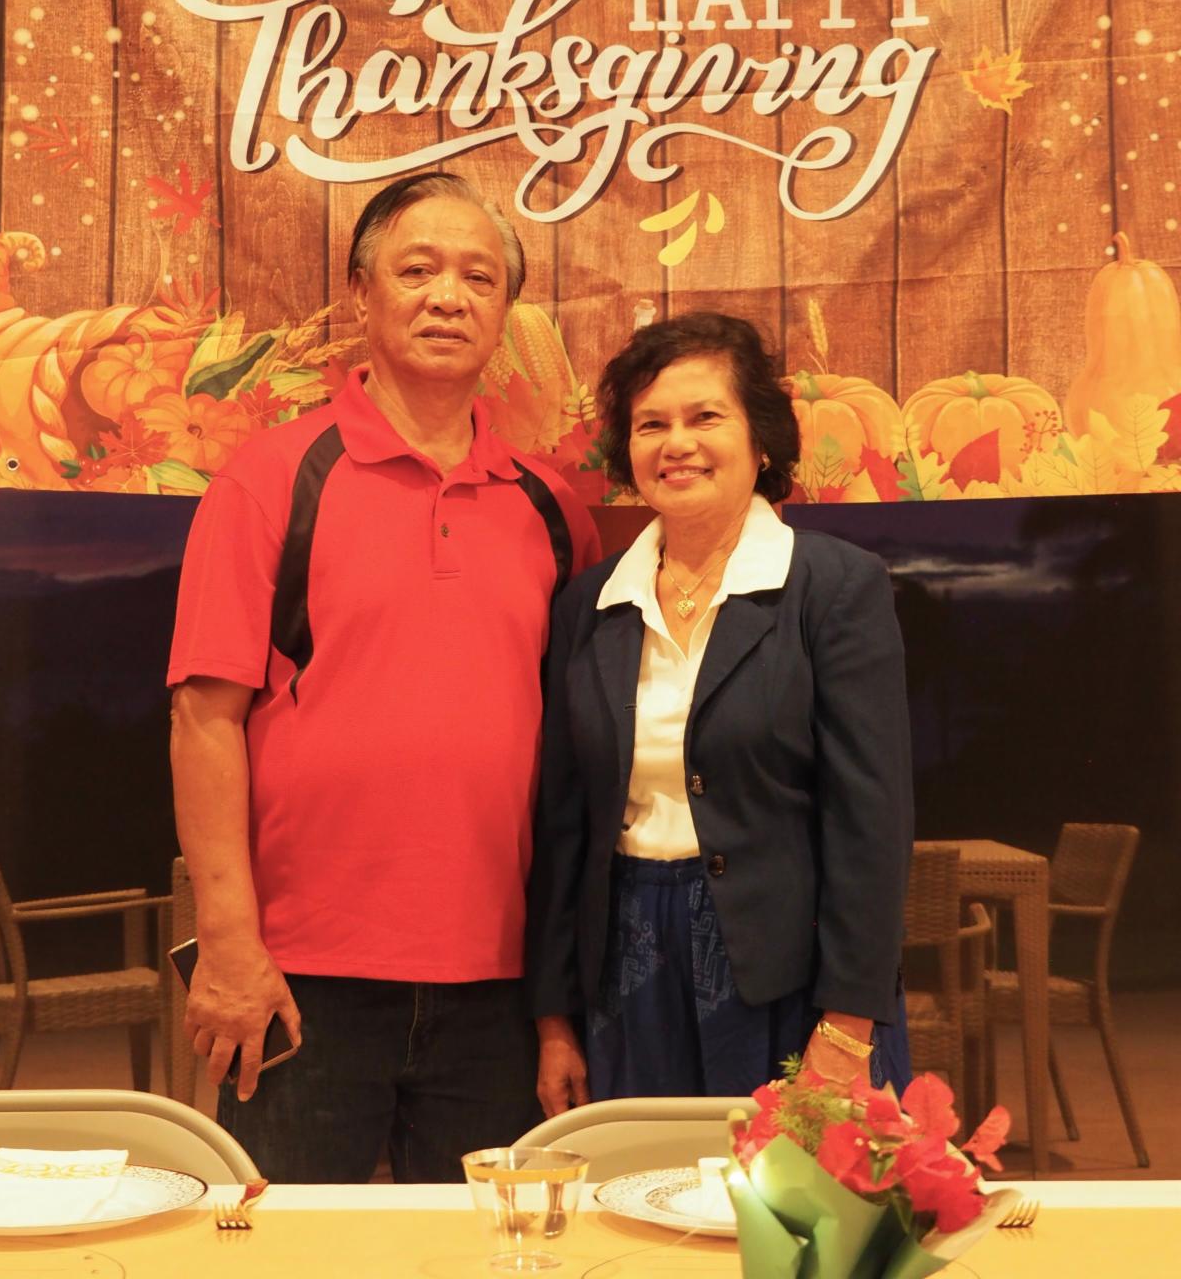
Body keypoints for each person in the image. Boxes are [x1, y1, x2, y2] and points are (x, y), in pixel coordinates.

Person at [168, 172, 600, 1182]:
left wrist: (559, 995)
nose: (448, 297)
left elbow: (579, 758)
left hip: (502, 983)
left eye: (478, 278)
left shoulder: (551, 507)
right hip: (299, 975)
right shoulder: (271, 477)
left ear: (505, 311)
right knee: (288, 1245)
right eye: (417, 270)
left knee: (492, 1249)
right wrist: (229, 945)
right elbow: (202, 718)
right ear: (361, 295)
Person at [526, 312, 912, 1114]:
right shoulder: (589, 606)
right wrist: (555, 1020)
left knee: (788, 1190)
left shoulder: (835, 587)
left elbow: (870, 821)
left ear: (761, 439)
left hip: (790, 978)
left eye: (706, 417)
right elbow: (565, 827)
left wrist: (848, 1024)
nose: (678, 444)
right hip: (626, 971)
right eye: (651, 424)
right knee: (640, 1183)